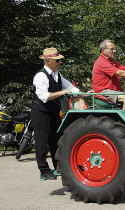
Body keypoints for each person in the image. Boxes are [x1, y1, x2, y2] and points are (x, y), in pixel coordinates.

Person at [32, 47, 80, 180]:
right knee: (42, 143)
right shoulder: (40, 76)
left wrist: (84, 94)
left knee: (57, 141)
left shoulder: (58, 75)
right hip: (41, 113)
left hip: (53, 112)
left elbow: (70, 88)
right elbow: (44, 96)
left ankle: (58, 167)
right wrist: (63, 93)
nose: (60, 62)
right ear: (48, 61)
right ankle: (44, 171)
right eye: (57, 60)